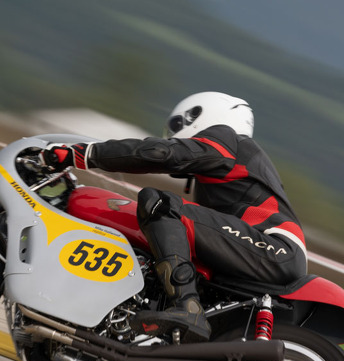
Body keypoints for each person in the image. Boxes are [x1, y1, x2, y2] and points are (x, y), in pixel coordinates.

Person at [40, 92, 307, 341]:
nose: (173, 134)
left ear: (205, 115)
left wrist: (83, 154)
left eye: (178, 124)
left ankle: (187, 307)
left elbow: (161, 153)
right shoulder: (219, 171)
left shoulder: (229, 140)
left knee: (160, 204)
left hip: (274, 246)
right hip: (261, 250)